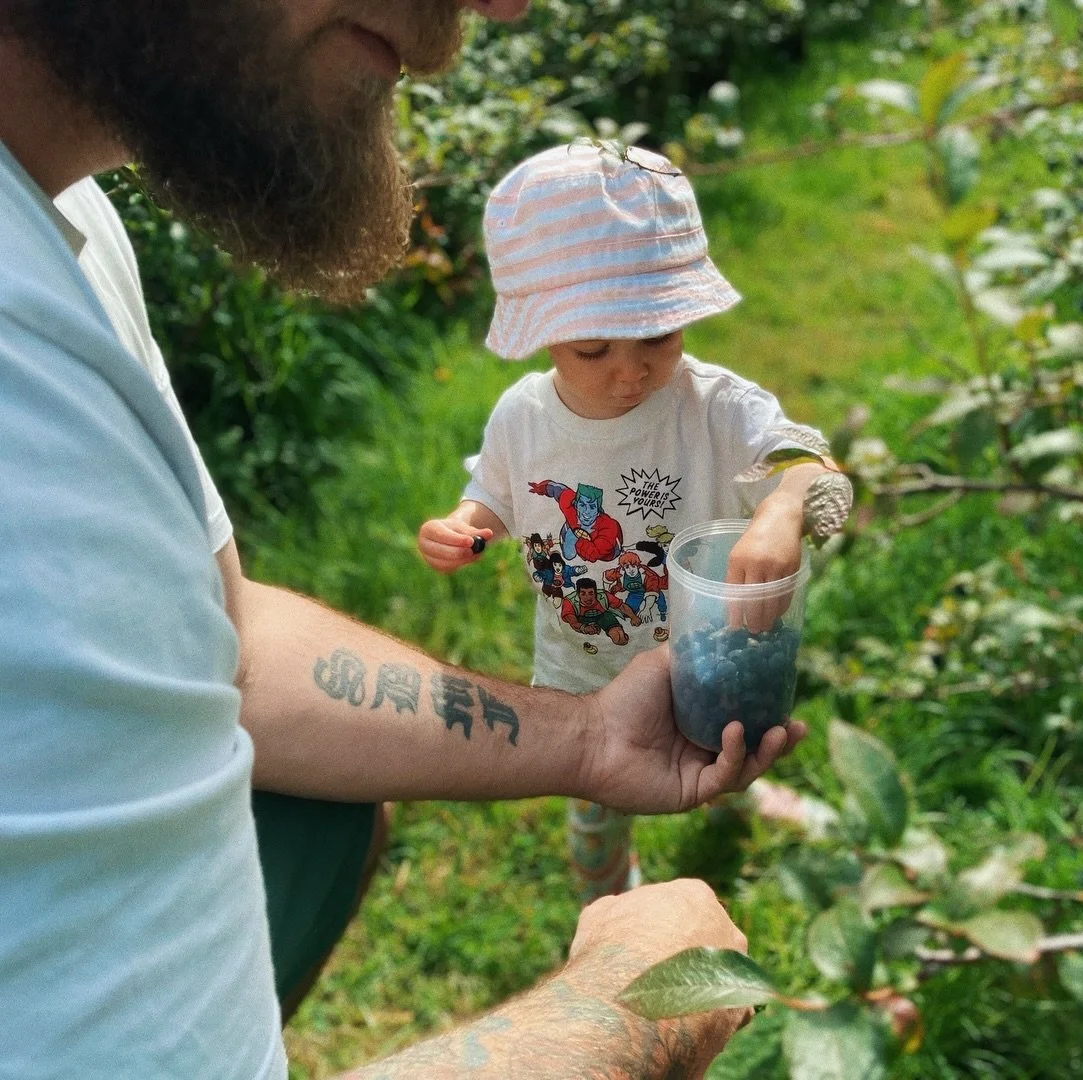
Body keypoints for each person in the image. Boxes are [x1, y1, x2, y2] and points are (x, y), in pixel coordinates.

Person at [0, 2, 807, 1077]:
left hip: (669, 655)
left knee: (330, 821)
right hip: (585, 643)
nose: (506, 7)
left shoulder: (74, 232)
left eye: (654, 334)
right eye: (591, 345)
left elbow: (224, 639)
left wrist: (584, 739)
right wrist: (627, 1009)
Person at [417, 142, 846, 901]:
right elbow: (495, 497)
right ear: (543, 334)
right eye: (592, 348)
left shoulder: (716, 410)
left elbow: (815, 467)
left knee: (729, 754)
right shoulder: (523, 417)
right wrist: (465, 524)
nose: (631, 370)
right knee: (596, 818)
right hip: (581, 680)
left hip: (710, 661)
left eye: (658, 335)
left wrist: (783, 506)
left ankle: (745, 802)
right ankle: (609, 910)